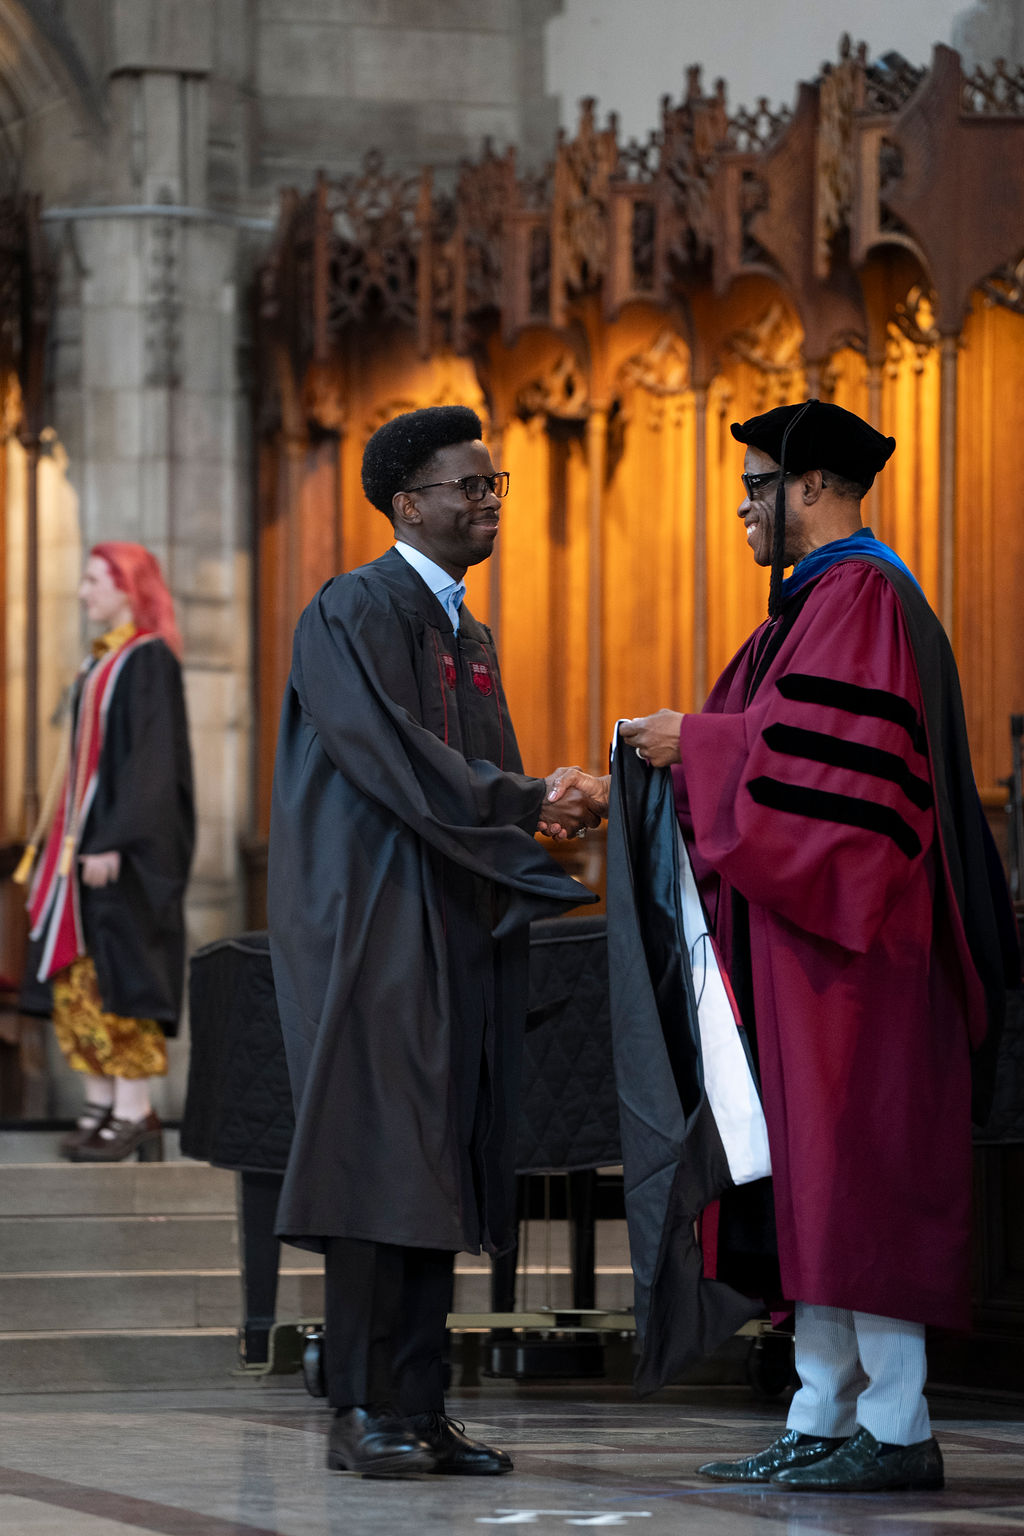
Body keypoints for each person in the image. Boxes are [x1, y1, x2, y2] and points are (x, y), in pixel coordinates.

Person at [550, 399, 1018, 1493]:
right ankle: (820, 1411)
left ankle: (896, 1428)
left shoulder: (861, 596)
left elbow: (828, 785)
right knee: (810, 1180)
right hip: (807, 952)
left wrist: (693, 746)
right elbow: (764, 749)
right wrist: (649, 760)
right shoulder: (800, 615)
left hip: (862, 957)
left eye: (760, 486)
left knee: (858, 1184)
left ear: (813, 486)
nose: (747, 509)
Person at [267, 404, 599, 1478]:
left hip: (444, 920)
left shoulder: (465, 630)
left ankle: (420, 1401)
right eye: (469, 485)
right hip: (371, 925)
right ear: (409, 503)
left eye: (495, 483)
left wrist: (545, 807)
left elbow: (479, 778)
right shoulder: (353, 608)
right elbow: (393, 761)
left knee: (436, 1164)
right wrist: (529, 797)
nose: (488, 498)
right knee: (377, 1163)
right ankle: (359, 1410)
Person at [18, 543, 195, 1163]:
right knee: (80, 981)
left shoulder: (146, 661)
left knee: (122, 977)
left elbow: (151, 760)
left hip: (119, 854)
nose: (84, 591)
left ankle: (134, 1111)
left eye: (94, 580)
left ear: (127, 587)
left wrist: (117, 839)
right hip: (82, 848)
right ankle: (100, 1103)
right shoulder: (103, 662)